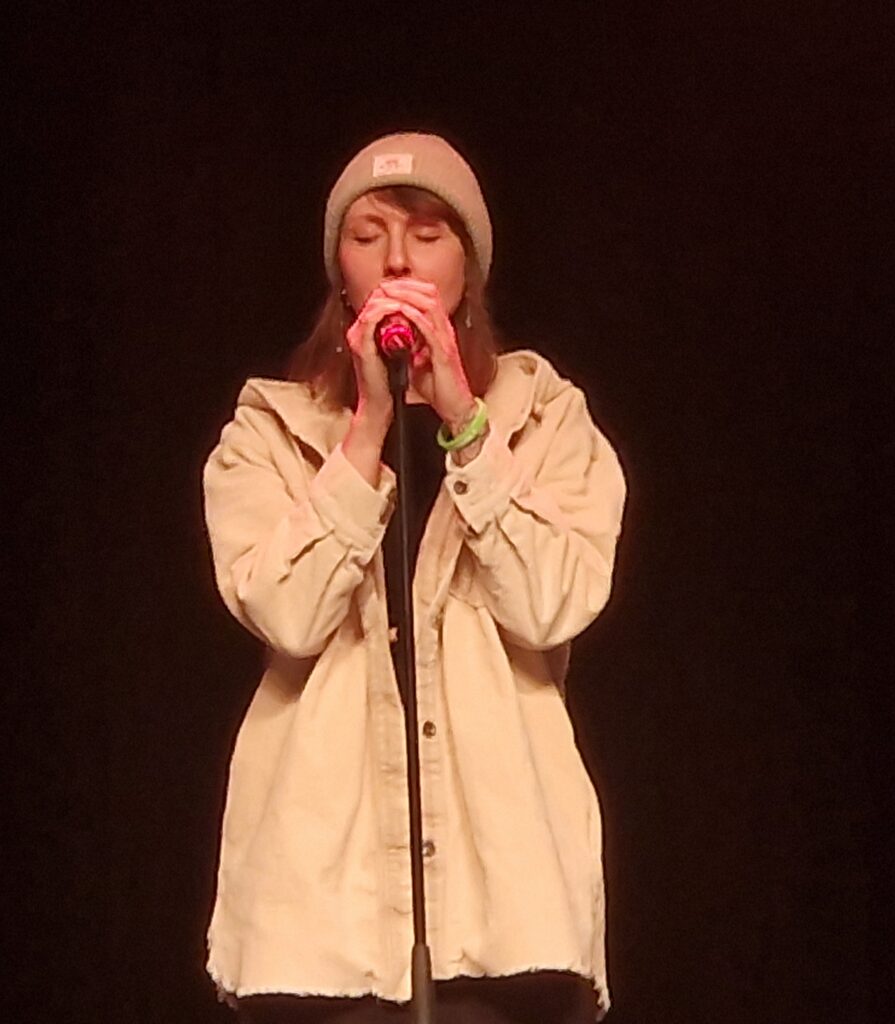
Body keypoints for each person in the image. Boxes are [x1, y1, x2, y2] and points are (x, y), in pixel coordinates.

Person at [202, 132, 627, 1024]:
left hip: (507, 915)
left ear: (468, 271)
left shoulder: (548, 419)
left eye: (428, 234)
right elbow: (285, 613)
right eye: (369, 235)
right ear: (341, 273)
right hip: (318, 923)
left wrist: (467, 425)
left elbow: (555, 603)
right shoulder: (265, 433)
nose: (398, 258)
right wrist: (366, 431)